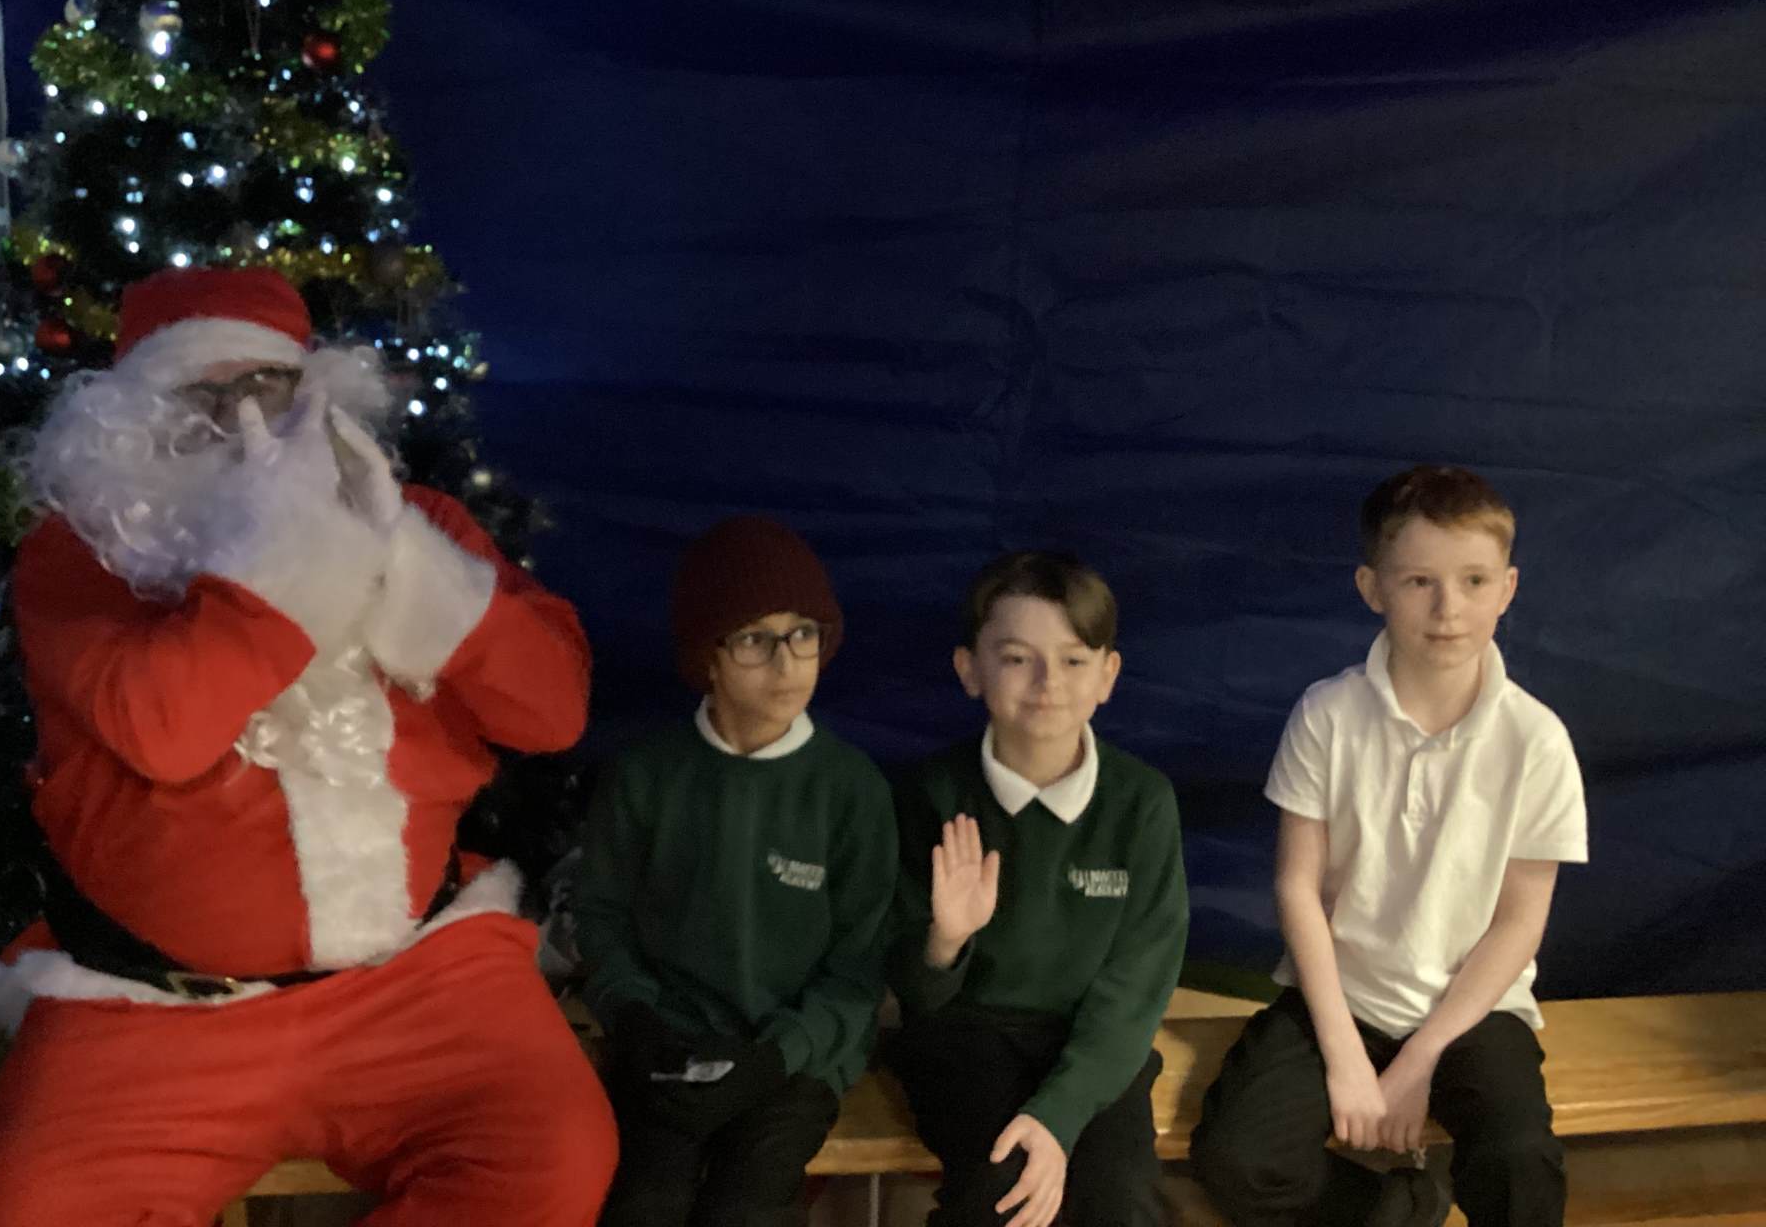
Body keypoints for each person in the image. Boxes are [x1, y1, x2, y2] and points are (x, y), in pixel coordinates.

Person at [0, 265, 617, 1227]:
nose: (239, 419)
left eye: (266, 385)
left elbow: (551, 714)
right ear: (131, 423)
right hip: (153, 1010)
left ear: (315, 397)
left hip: (422, 981)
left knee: (553, 1156)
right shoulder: (80, 555)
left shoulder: (417, 521)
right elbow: (163, 729)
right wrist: (289, 564)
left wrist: (402, 560)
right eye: (199, 393)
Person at [1191, 464, 1588, 1227]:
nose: (1448, 609)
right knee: (1239, 1159)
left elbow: (1519, 922)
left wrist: (1422, 1058)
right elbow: (1297, 888)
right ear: (1372, 588)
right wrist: (1345, 1055)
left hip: (1473, 1013)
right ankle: (1398, 1206)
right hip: (1342, 997)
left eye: (1474, 581)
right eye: (1418, 582)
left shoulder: (1536, 739)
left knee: (1518, 1161)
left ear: (1507, 589)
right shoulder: (1327, 716)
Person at [575, 515, 897, 1227]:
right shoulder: (645, 775)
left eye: (802, 634)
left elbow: (858, 969)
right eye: (754, 639)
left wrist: (777, 1057)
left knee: (747, 1209)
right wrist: (634, 1019)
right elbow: (599, 917)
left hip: (792, 1063)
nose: (786, 664)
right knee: (643, 1204)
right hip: (667, 1047)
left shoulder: (852, 790)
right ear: (708, 658)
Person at [888, 550, 1188, 1227]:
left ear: (1108, 675)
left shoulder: (1141, 802)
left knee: (1120, 1204)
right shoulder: (933, 793)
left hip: (1095, 1045)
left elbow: (1135, 989)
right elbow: (915, 994)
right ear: (970, 669)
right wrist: (945, 942)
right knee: (1003, 1195)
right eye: (1018, 658)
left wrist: (1057, 1115)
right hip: (966, 1039)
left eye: (1074, 660)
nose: (1048, 682)